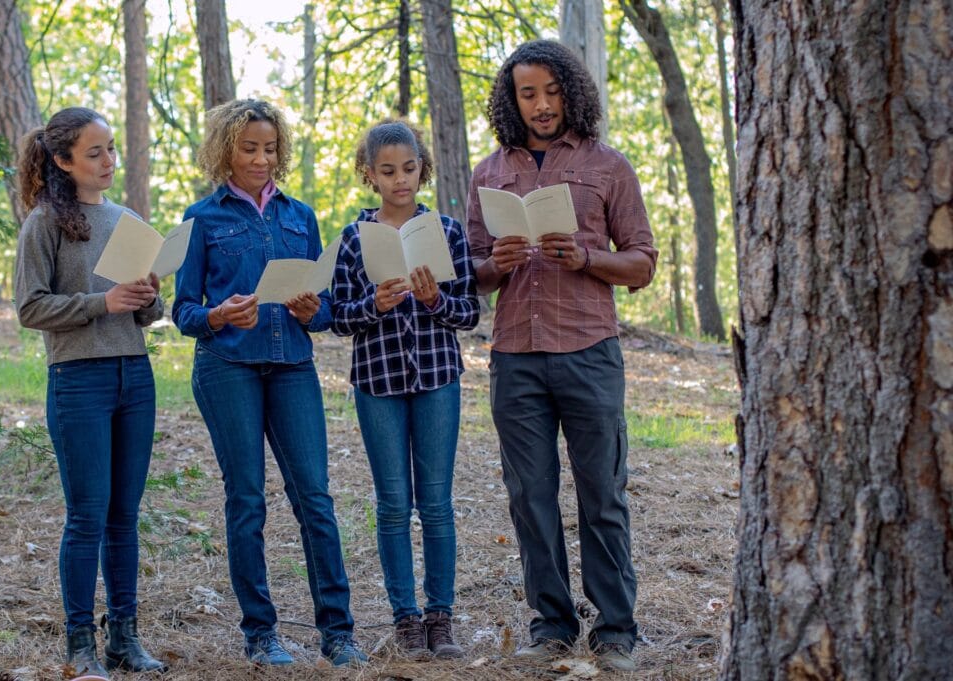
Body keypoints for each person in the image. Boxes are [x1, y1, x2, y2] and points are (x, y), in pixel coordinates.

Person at [465, 40, 659, 672]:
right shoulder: (489, 173)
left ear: (570, 93)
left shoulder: (609, 167)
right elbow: (471, 271)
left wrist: (587, 257)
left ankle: (616, 630)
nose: (541, 105)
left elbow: (643, 262)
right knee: (531, 496)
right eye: (528, 94)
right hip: (515, 355)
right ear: (511, 100)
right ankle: (550, 625)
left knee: (602, 493)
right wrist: (497, 263)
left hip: (589, 351)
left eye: (551, 92)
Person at [172, 98, 367, 668]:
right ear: (225, 151)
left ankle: (339, 631)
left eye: (270, 148)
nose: (261, 159)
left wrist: (314, 310)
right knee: (248, 501)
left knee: (316, 499)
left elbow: (324, 308)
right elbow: (182, 310)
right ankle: (261, 633)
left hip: (292, 367)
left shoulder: (300, 216)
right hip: (227, 366)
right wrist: (218, 314)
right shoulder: (201, 220)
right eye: (249, 148)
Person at [14, 107, 168, 678]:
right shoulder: (44, 223)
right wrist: (100, 303)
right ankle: (80, 646)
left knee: (124, 516)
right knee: (87, 516)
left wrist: (148, 294)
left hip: (135, 376)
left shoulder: (127, 219)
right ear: (63, 160)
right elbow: (30, 306)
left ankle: (123, 640)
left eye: (110, 149)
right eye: (95, 152)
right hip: (79, 379)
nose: (109, 161)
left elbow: (148, 313)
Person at [331, 120, 479, 659]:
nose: (400, 180)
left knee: (436, 503)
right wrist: (377, 304)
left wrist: (436, 300)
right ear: (369, 174)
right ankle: (406, 618)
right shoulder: (354, 239)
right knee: (393, 504)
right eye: (388, 171)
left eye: (409, 169)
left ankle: (441, 617)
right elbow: (339, 319)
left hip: (438, 379)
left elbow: (469, 312)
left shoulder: (446, 231)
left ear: (423, 169)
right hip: (378, 383)